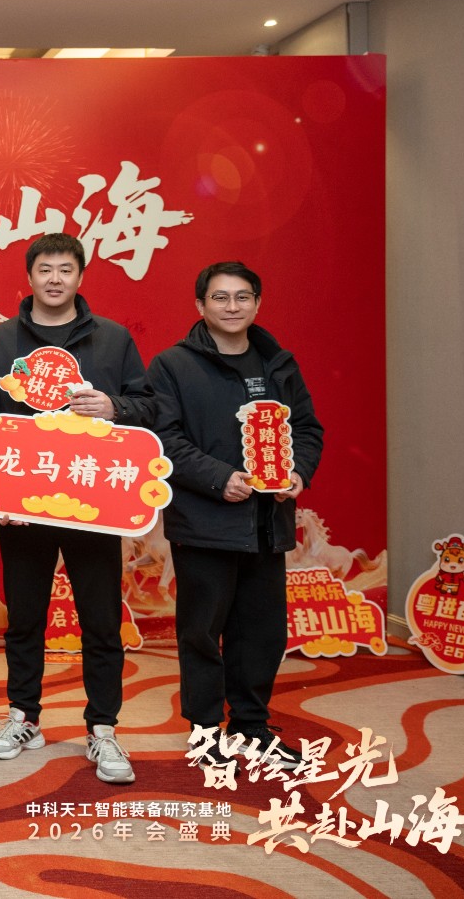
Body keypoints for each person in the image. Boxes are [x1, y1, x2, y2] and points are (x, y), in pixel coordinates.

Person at [0, 232, 154, 784]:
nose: (55, 279)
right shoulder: (0, 341)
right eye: (45, 269)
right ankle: (24, 717)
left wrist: (113, 405)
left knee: (100, 619)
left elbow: (150, 405)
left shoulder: (113, 339)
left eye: (65, 269)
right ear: (29, 277)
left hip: (93, 501)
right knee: (24, 617)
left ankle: (103, 728)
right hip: (24, 504)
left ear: (80, 276)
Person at [146, 261, 322, 765]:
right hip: (205, 521)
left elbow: (307, 428)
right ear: (200, 305)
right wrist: (218, 477)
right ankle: (205, 732)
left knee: (262, 632)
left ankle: (251, 725)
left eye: (242, 297)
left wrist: (298, 473)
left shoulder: (278, 363)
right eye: (220, 298)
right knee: (202, 632)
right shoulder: (173, 365)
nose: (232, 306)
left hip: (268, 522)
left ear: (257, 304)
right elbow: (165, 438)